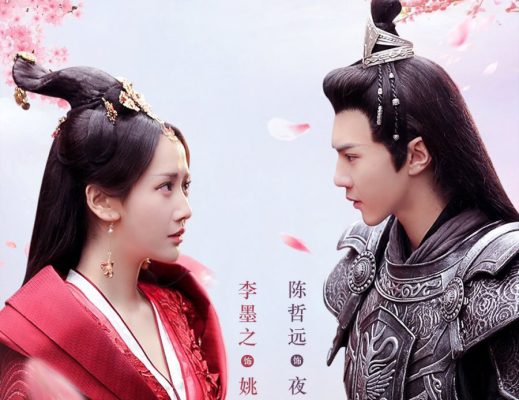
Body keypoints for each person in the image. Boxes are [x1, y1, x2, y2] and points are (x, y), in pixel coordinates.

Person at [0, 53, 227, 400]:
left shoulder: (180, 307)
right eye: (166, 187)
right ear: (103, 201)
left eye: (185, 186)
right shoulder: (36, 340)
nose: (185, 210)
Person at [322, 0, 519, 398]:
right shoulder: (364, 263)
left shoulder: (502, 282)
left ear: (416, 155)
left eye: (352, 157)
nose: (339, 177)